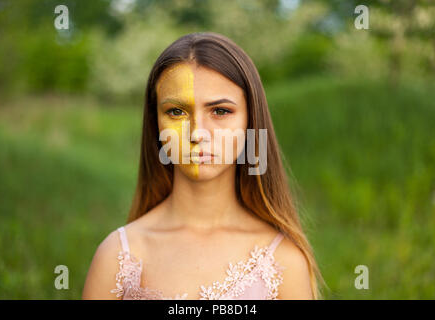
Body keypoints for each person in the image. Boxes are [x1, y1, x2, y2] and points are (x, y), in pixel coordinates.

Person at [82, 32, 323, 300]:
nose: (198, 133)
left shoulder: (283, 260)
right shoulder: (118, 256)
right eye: (176, 111)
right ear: (156, 124)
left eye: (220, 111)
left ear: (251, 122)